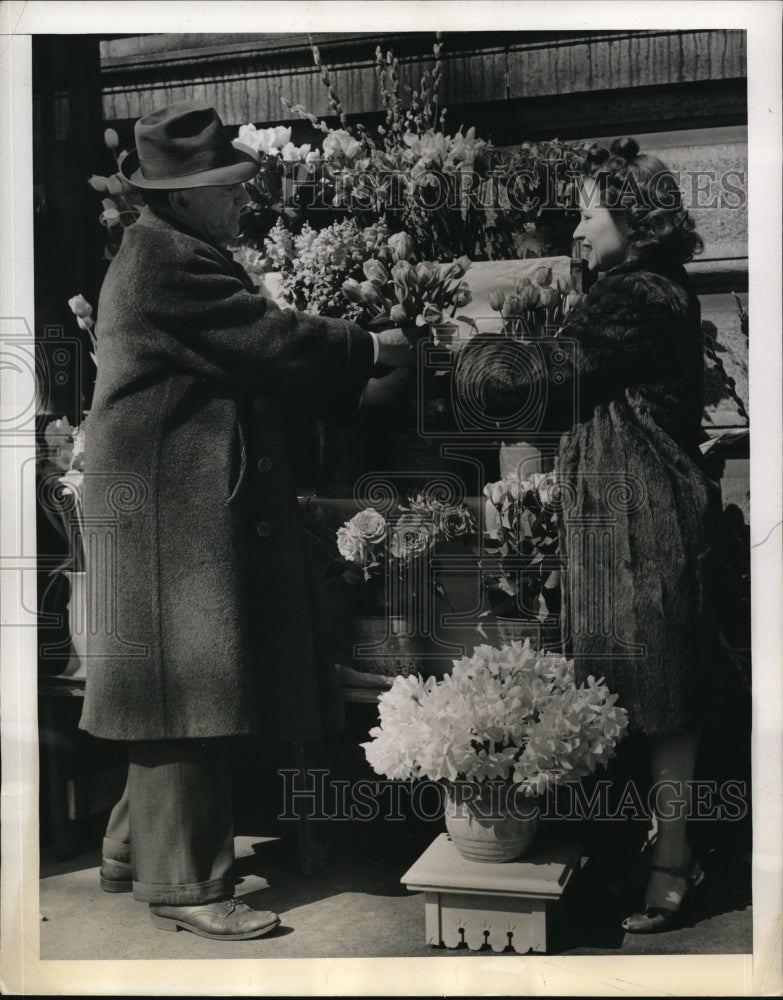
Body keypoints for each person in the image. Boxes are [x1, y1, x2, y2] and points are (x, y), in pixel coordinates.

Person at [79, 100, 413, 941]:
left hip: (163, 505)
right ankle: (186, 887)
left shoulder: (169, 248)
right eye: (230, 185)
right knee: (184, 690)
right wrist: (370, 347)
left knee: (167, 687)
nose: (244, 197)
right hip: (164, 513)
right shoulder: (170, 259)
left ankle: (132, 848)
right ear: (185, 195)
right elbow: (268, 337)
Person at [455, 137, 729, 933]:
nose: (575, 225)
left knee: (665, 698)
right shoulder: (631, 285)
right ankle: (637, 851)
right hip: (621, 515)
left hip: (646, 516)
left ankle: (674, 859)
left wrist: (468, 354)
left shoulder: (638, 294)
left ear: (630, 216)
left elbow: (553, 374)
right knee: (624, 692)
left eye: (586, 209)